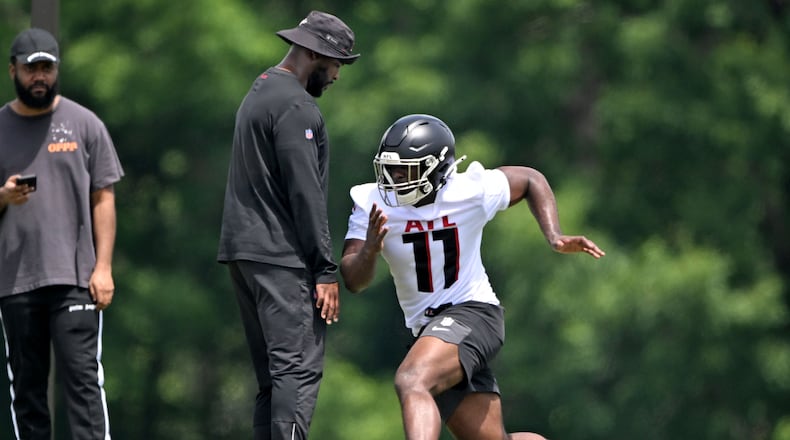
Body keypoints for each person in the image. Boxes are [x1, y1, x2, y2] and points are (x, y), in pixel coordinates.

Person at [340, 114, 605, 440]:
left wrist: (555, 236)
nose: (394, 179)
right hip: (429, 331)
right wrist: (369, 250)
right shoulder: (372, 203)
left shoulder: (469, 190)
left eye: (405, 170)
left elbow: (531, 179)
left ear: (436, 169)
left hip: (474, 313)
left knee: (412, 380)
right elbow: (354, 280)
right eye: (389, 169)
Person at [216, 10, 360, 440]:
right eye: (336, 63)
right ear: (315, 54)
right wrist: (325, 269)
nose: (336, 74)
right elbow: (305, 193)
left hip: (245, 255)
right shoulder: (297, 106)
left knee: (272, 383)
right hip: (282, 260)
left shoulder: (261, 88)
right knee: (296, 375)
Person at [0, 28, 123, 439]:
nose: (40, 77)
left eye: (47, 68)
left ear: (57, 70)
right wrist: (3, 197)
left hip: (76, 279)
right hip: (16, 281)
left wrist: (103, 267)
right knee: (28, 387)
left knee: (83, 381)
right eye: (31, 68)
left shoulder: (85, 124)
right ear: (13, 70)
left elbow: (104, 198)